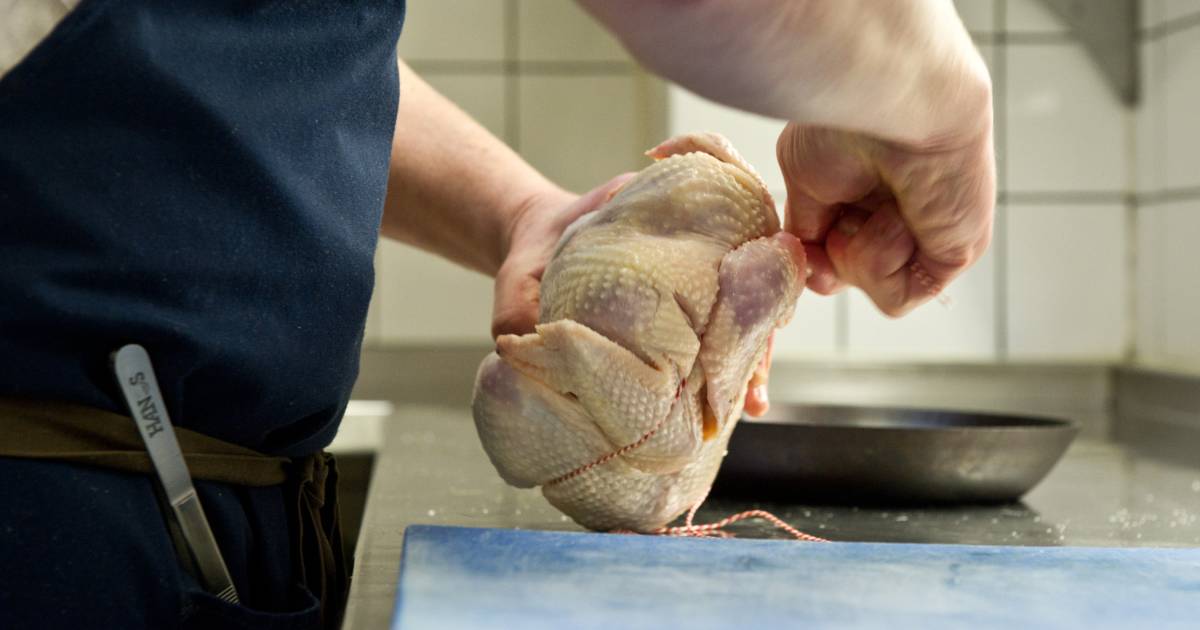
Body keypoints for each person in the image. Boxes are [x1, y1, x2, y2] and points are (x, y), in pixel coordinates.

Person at [0, 0, 994, 628]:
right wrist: (946, 113)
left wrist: (526, 215)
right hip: (50, 525)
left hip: (179, 515)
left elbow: (244, 63)